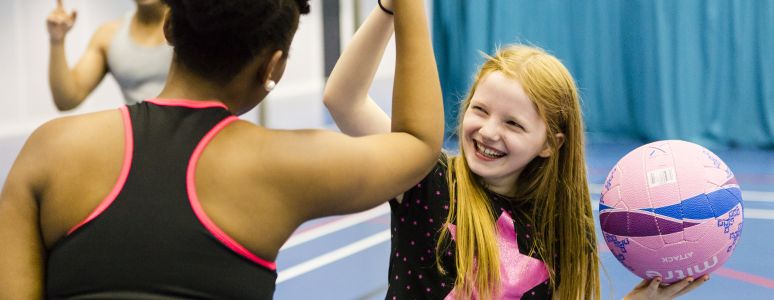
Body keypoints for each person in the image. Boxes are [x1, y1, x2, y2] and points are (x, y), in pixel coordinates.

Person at [0, 0, 443, 298]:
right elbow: (418, 144)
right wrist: (401, 4)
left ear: (170, 28)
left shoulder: (49, 150)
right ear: (274, 64)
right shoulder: (280, 167)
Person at [323, 1, 708, 299]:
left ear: (549, 145)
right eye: (480, 110)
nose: (489, 131)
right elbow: (344, 101)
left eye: (513, 124)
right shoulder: (428, 178)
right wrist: (390, 9)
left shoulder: (560, 230)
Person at [47, 0, 172, 110]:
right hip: (141, 133)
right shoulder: (108, 36)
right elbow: (67, 100)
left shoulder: (189, 25)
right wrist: (57, 40)